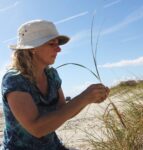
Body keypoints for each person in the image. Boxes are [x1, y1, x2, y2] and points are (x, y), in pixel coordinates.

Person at [1, 20, 109, 150]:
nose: (58, 49)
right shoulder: (14, 79)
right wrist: (83, 98)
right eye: (51, 44)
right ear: (32, 48)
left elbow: (63, 111)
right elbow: (37, 128)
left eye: (57, 44)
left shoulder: (51, 75)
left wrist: (89, 100)